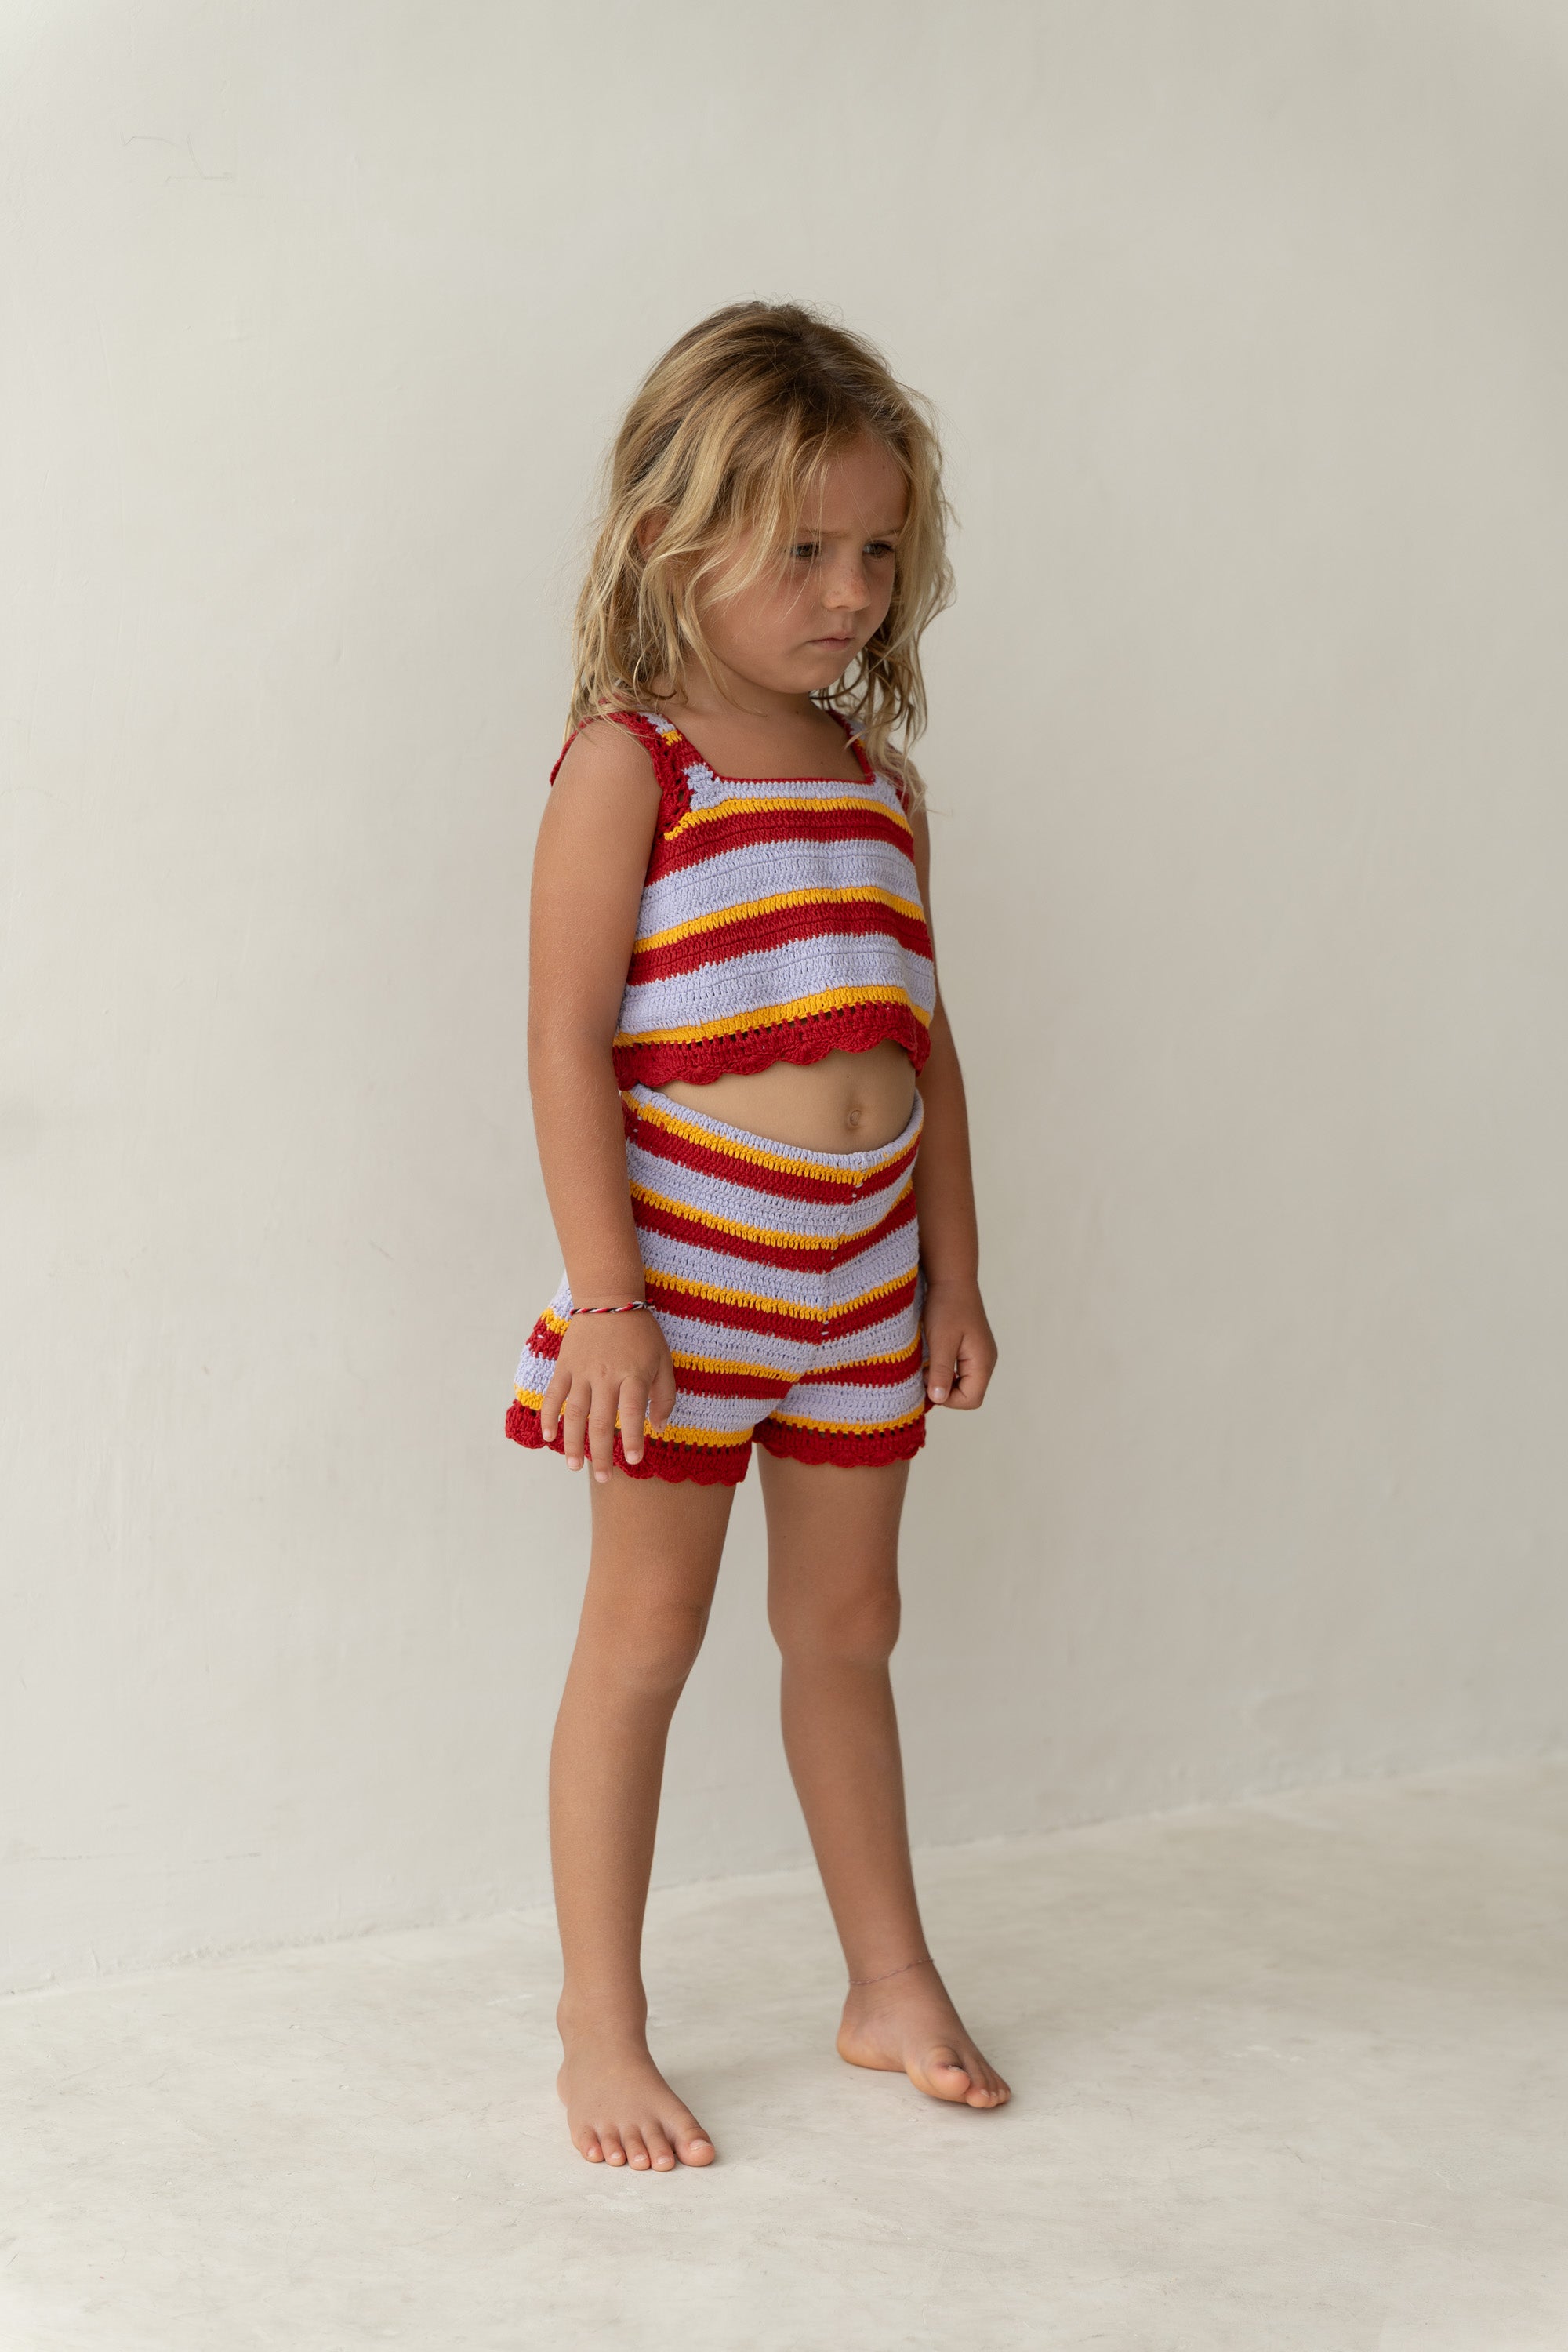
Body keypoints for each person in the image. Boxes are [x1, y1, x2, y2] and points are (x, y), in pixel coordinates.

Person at [506, 301, 1007, 2170]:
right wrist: (609, 1299)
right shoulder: (633, 762)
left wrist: (953, 1268)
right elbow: (563, 1040)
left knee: (849, 1625)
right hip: (688, 1282)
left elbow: (923, 1038)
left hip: (862, 1276)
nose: (851, 588)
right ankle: (599, 2024)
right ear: (667, 535)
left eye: (876, 549)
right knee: (644, 1635)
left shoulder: (880, 785)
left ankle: (887, 1978)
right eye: (802, 549)